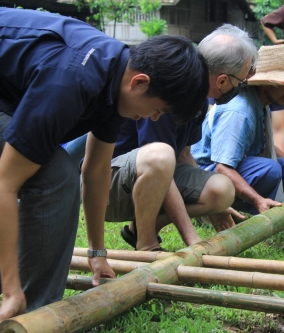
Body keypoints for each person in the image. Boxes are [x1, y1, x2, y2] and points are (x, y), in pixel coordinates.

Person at [0, 7, 208, 324]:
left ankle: (29, 312)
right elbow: (4, 185)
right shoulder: (72, 79)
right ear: (140, 82)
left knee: (55, 182)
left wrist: (97, 253)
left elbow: (95, 172)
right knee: (55, 177)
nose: (154, 119)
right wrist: (11, 289)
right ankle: (34, 317)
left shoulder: (115, 79)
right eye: (158, 109)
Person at [107, 24, 257, 251]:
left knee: (221, 190)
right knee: (161, 157)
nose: (240, 87)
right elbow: (159, 162)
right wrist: (192, 238)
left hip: (155, 172)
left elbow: (184, 155)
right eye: (240, 82)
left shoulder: (200, 100)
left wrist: (213, 207)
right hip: (112, 184)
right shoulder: (173, 91)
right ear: (222, 80)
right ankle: (146, 244)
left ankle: (138, 229)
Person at [192, 45, 284, 216]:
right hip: (204, 177)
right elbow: (222, 168)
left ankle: (269, 210)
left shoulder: (260, 103)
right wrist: (257, 199)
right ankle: (213, 213)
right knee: (270, 169)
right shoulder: (239, 111)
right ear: (266, 84)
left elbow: (267, 145)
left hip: (222, 170)